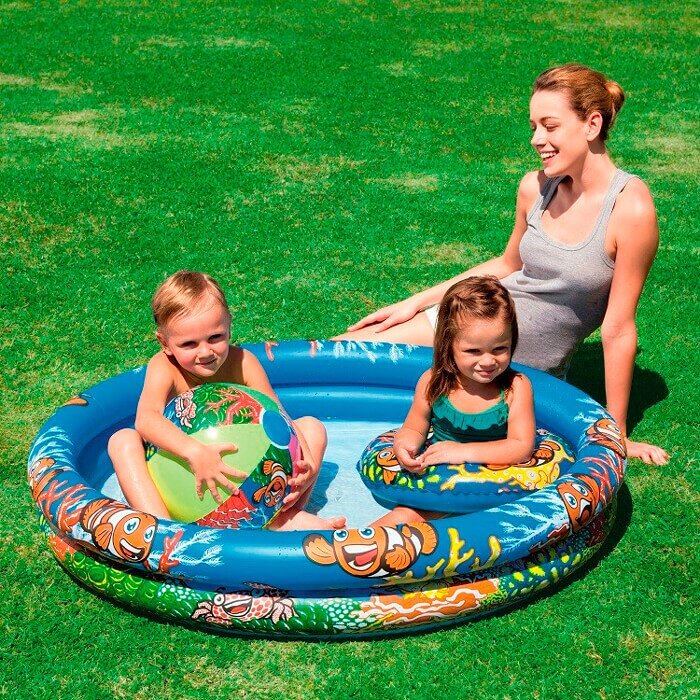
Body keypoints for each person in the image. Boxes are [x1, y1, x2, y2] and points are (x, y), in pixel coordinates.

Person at [339, 63, 668, 465]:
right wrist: (416, 303)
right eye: (533, 127)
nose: (536, 139)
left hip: (505, 354)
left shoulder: (629, 208)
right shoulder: (536, 186)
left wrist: (616, 433)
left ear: (592, 124)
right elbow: (508, 263)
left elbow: (617, 328)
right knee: (339, 354)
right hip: (470, 319)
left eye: (549, 126)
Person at [109, 270, 346, 530]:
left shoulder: (244, 363)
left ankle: (282, 515)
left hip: (247, 479)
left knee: (312, 427)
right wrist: (194, 451)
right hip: (180, 481)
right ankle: (164, 531)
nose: (205, 352)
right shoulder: (164, 367)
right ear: (164, 343)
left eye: (215, 337)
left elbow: (277, 415)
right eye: (189, 344)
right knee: (122, 440)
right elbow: (146, 419)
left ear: (229, 325)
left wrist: (306, 463)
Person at [373, 276, 535, 526]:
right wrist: (405, 446)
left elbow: (521, 447)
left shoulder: (515, 388)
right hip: (443, 482)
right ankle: (342, 547)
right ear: (449, 346)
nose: (488, 361)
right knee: (405, 516)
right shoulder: (433, 382)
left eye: (499, 349)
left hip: (494, 486)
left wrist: (462, 452)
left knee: (412, 518)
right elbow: (415, 427)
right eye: (473, 351)